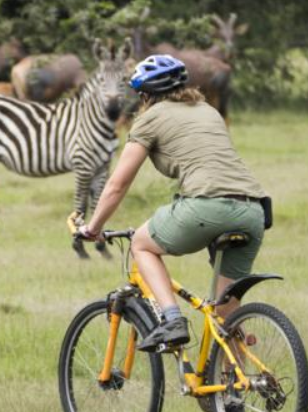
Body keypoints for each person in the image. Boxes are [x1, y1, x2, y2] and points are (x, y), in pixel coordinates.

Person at [76, 54, 267, 352]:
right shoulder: (208, 110)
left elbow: (117, 184)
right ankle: (234, 392)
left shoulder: (149, 118)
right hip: (253, 210)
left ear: (145, 95)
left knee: (141, 244)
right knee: (225, 313)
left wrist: (93, 227)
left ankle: (173, 319)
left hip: (206, 205)